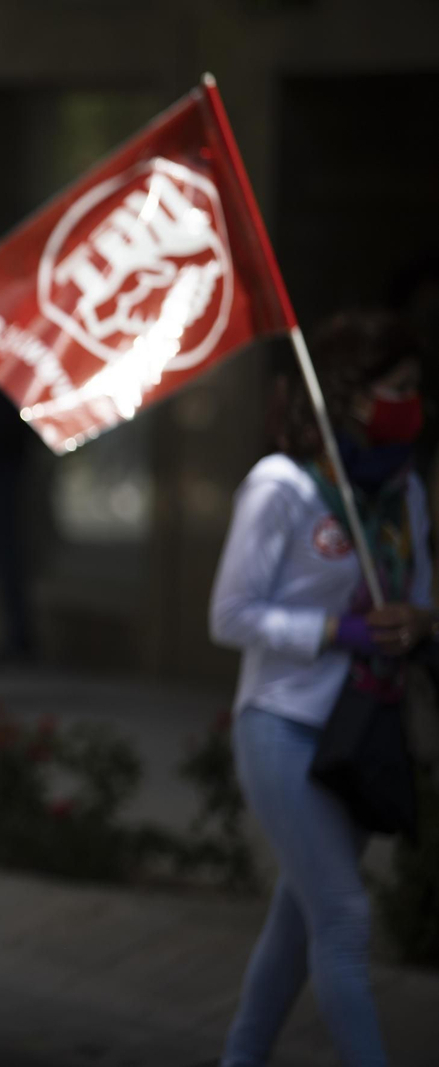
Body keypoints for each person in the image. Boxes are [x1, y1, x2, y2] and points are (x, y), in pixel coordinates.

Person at [210, 312, 431, 1067]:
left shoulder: (402, 491)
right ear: (347, 392)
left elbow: (420, 591)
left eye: (416, 387)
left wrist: (412, 622)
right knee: (342, 917)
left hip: (360, 733)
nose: (412, 401)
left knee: (298, 929)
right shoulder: (281, 487)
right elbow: (230, 615)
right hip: (280, 724)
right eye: (396, 388)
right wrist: (337, 631)